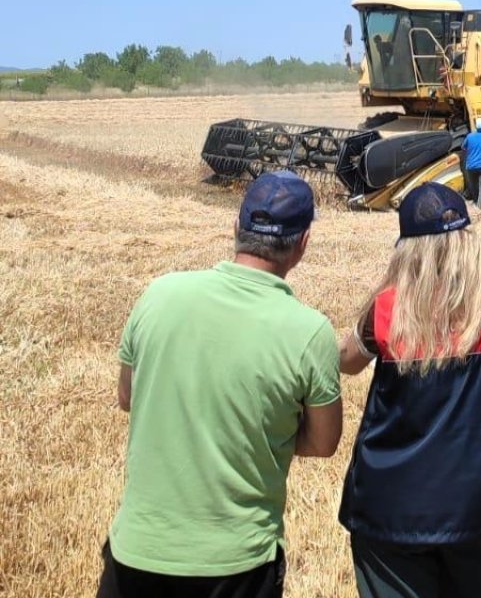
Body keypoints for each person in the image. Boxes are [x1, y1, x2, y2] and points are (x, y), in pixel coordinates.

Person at [97, 170, 343, 598]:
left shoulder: (158, 294)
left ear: (235, 227)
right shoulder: (310, 332)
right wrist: (259, 432)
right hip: (237, 565)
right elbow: (323, 443)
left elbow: (127, 396)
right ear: (303, 244)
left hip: (136, 554)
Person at [337, 182, 481, 598]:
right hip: (480, 501)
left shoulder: (389, 309)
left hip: (392, 507)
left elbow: (346, 363)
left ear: (407, 249)